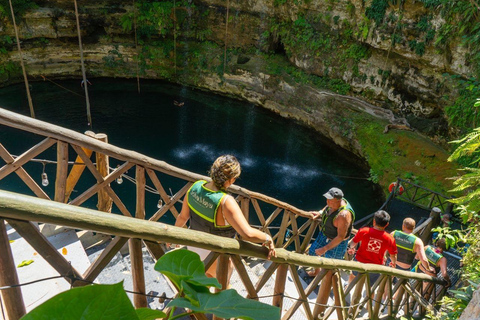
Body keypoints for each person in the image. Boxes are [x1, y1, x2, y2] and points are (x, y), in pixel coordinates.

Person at [172, 155, 275, 279]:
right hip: (215, 253)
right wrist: (267, 238)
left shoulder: (195, 187)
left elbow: (183, 217)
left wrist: (172, 237)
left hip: (194, 246)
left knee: (203, 278)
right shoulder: (226, 202)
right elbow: (247, 234)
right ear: (231, 180)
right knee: (221, 287)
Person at [307, 187, 355, 275]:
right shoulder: (334, 202)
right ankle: (317, 272)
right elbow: (328, 205)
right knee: (313, 252)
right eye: (327, 199)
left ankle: (328, 283)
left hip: (338, 242)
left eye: (330, 201)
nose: (327, 202)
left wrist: (324, 249)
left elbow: (340, 237)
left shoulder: (343, 216)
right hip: (325, 234)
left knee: (331, 264)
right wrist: (321, 212)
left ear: (338, 200)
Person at [347, 210, 398, 285]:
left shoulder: (364, 231)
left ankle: (348, 287)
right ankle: (369, 296)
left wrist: (351, 249)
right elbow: (393, 256)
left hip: (359, 262)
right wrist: (394, 264)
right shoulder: (390, 239)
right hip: (375, 266)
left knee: (353, 275)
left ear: (374, 221)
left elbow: (352, 244)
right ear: (387, 224)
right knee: (370, 287)